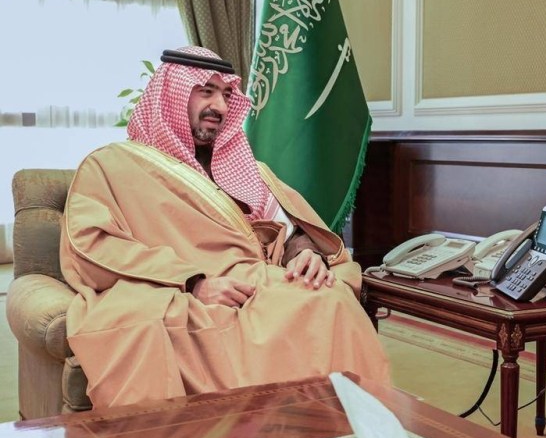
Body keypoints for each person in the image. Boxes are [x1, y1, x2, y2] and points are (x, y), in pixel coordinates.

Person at [60, 46, 390, 409]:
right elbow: (93, 245)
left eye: (226, 95)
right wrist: (193, 283)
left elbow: (288, 228)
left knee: (329, 297)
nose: (219, 105)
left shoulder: (245, 167)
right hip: (185, 287)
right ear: (172, 94)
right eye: (206, 91)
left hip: (259, 280)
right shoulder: (112, 166)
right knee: (194, 323)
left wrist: (306, 254)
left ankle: (349, 426)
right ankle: (261, 430)